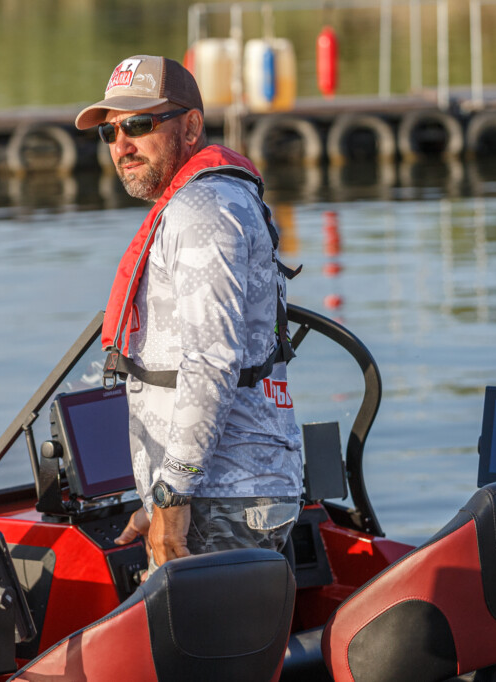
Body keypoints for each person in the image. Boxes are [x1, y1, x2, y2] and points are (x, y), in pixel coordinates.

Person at [74, 55, 303, 569]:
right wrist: (156, 499)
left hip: (219, 499)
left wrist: (173, 494)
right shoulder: (215, 199)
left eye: (139, 125)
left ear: (192, 127)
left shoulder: (201, 212)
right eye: (110, 132)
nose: (122, 146)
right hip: (223, 491)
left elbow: (211, 361)